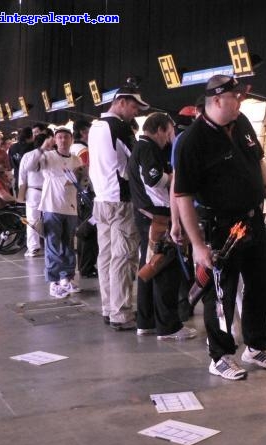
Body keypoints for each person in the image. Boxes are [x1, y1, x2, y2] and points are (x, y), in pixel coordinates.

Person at [175, 74, 266, 380]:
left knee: (261, 285)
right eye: (236, 97)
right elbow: (182, 195)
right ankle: (220, 354)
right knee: (222, 293)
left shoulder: (243, 122)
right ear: (217, 100)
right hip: (221, 228)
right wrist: (197, 245)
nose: (240, 102)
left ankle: (256, 344)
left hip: (252, 220)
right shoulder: (193, 141)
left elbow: (258, 161)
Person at [128, 112, 196, 340]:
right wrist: (174, 177)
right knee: (165, 269)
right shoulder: (147, 149)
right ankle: (169, 327)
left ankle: (146, 321)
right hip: (157, 217)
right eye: (168, 133)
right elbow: (154, 179)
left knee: (149, 266)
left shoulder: (140, 148)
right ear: (158, 130)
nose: (169, 138)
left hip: (146, 216)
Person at [88, 83, 148, 331]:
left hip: (101, 200)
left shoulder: (96, 126)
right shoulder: (119, 128)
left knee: (106, 256)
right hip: (121, 202)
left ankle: (108, 307)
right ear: (121, 102)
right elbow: (134, 166)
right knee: (123, 258)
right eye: (134, 106)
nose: (135, 112)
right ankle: (121, 313)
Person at [22, 127, 83, 299]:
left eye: (66, 137)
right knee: (53, 244)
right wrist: (41, 148)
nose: (63, 140)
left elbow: (82, 180)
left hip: (70, 208)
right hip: (51, 206)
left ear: (71, 140)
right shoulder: (48, 157)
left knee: (69, 244)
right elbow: (29, 166)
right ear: (55, 140)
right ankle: (54, 281)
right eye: (60, 137)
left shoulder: (76, 159)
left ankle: (67, 277)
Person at [18, 131, 55, 257]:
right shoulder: (52, 155)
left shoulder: (28, 155)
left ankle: (33, 247)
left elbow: (22, 175)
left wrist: (21, 192)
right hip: (48, 190)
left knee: (32, 220)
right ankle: (50, 245)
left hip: (33, 191)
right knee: (50, 219)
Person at [70, 120, 98, 278]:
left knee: (82, 231)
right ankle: (87, 266)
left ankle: (82, 265)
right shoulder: (84, 151)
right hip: (87, 194)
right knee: (88, 232)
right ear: (82, 132)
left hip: (77, 196)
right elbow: (89, 173)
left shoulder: (72, 149)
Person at [8, 127, 34, 197]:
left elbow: (11, 165)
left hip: (18, 180)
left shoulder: (12, 148)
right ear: (32, 136)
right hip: (32, 183)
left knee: (21, 204)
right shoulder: (33, 148)